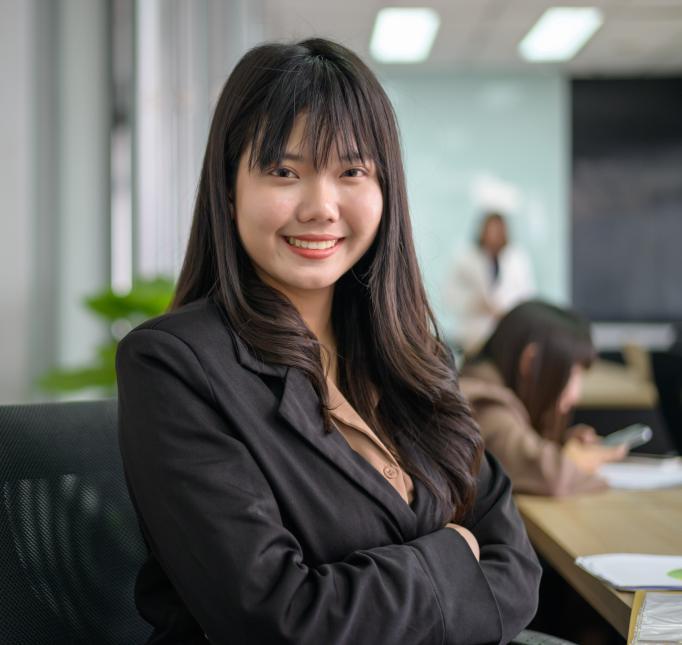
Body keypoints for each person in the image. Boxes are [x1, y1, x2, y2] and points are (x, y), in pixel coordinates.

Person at [116, 38, 541, 645]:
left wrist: (385, 587)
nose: (320, 207)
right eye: (284, 171)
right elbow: (276, 618)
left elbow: (516, 566)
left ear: (384, 190)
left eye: (351, 171)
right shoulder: (176, 365)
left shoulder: (409, 355)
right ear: (229, 186)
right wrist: (453, 556)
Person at [459, 301, 628, 496]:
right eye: (573, 374)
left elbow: (520, 455)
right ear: (531, 361)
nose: (575, 394)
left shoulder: (480, 382)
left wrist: (563, 445)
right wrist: (579, 460)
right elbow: (551, 476)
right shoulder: (484, 404)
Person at [445, 212, 536, 354]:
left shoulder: (517, 259)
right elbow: (450, 296)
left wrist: (503, 310)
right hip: (473, 334)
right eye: (490, 230)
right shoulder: (466, 258)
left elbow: (526, 296)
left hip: (507, 332)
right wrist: (476, 303)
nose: (493, 235)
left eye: (497, 230)